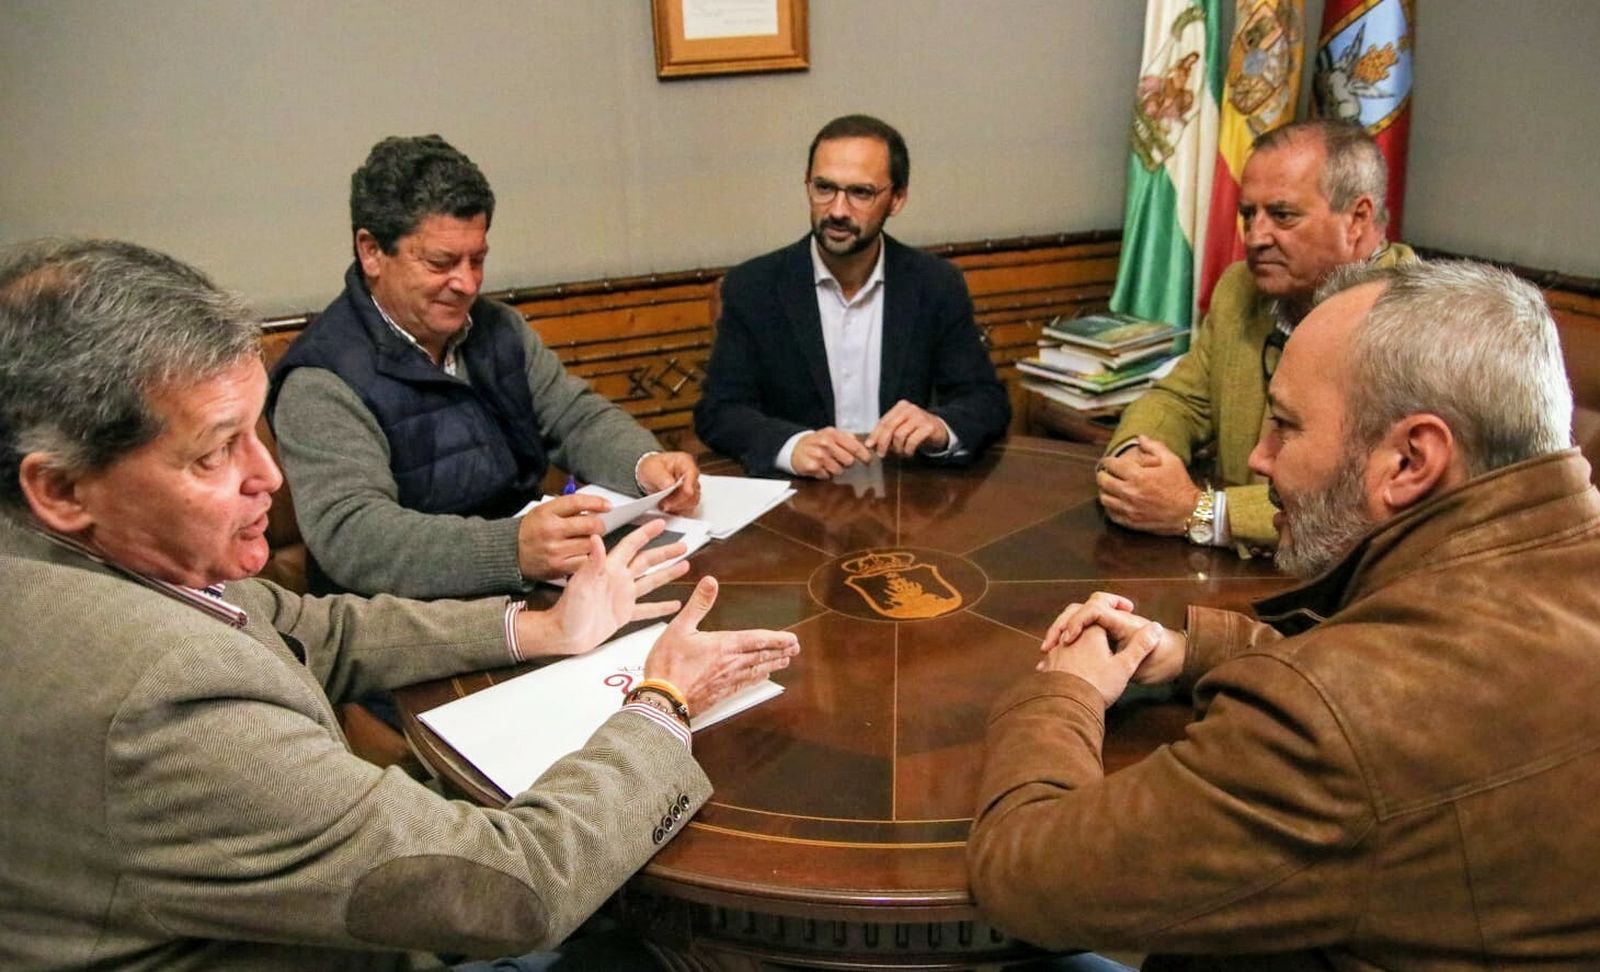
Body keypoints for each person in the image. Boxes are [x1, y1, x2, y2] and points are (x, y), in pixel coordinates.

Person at [0, 239, 800, 970]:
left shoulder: (86, 554)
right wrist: (662, 702)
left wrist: (543, 627)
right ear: (61, 487)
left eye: (255, 435)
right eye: (216, 451)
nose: (269, 479)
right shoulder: (163, 701)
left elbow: (315, 627)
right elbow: (515, 887)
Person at [969, 261, 1600, 968]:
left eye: (1286, 426)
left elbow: (1026, 875)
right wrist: (1194, 648)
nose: (1258, 458)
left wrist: (1065, 691)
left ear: (1410, 461)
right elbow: (1428, 675)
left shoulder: (1333, 725)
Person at [269, 134, 702, 598]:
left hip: (534, 588)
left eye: (478, 259)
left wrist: (643, 463)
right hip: (407, 625)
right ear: (372, 251)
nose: (467, 283)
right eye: (441, 262)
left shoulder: (497, 330)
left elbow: (573, 416)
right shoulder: (321, 380)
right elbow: (357, 539)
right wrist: (511, 548)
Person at [1098, 119, 1415, 554]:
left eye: (1282, 215)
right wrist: (1136, 463)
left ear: (1357, 218)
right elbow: (1179, 399)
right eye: (1249, 214)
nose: (1255, 237)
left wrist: (1200, 511)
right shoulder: (1240, 288)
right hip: (1230, 576)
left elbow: (1358, 503)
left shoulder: (1412, 321)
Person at [693, 114, 1010, 479]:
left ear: (897, 199)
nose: (838, 211)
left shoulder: (934, 283)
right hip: (797, 504)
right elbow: (718, 411)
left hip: (906, 503)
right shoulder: (754, 287)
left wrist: (939, 428)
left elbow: (986, 400)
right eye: (824, 188)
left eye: (861, 193)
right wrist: (791, 446)